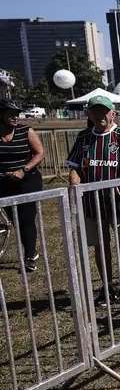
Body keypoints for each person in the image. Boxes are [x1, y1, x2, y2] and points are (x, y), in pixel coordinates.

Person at [65, 95, 120, 298]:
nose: (100, 115)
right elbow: (75, 167)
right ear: (89, 114)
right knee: (100, 245)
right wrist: (74, 183)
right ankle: (108, 287)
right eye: (95, 111)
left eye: (104, 111)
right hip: (91, 204)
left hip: (119, 204)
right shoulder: (83, 137)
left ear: (113, 114)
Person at [0, 98, 45, 271]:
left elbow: (40, 153)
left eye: (16, 114)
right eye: (10, 114)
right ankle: (30, 250)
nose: (15, 117)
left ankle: (30, 256)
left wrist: (23, 170)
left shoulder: (26, 131)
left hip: (28, 180)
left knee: (26, 217)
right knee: (15, 219)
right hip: (4, 182)